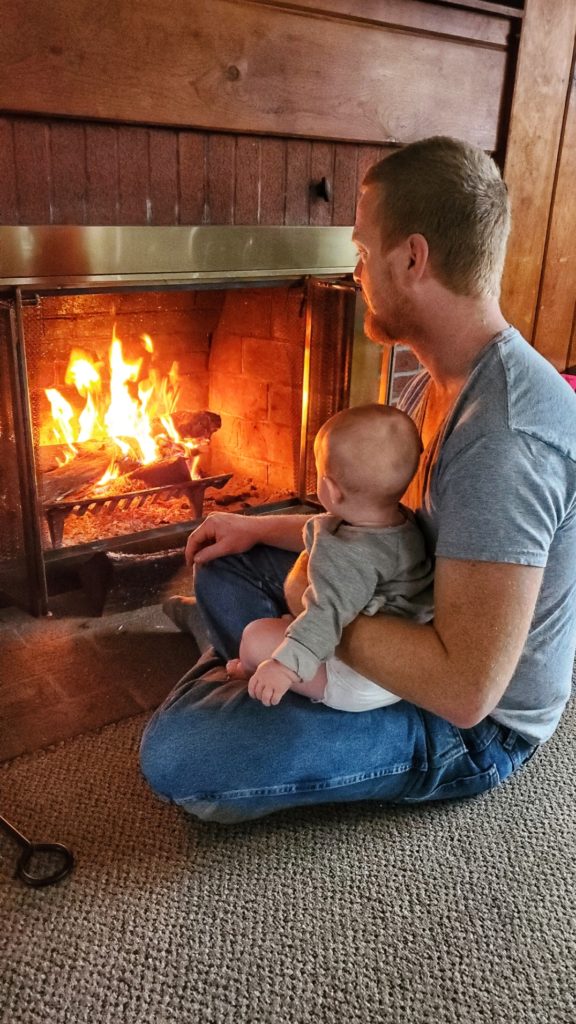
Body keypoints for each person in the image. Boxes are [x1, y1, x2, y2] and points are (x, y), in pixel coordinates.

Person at [140, 135, 576, 823]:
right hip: (400, 609)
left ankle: (247, 660)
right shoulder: (440, 381)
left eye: (363, 251)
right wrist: (253, 528)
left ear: (413, 258)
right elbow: (375, 526)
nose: (355, 272)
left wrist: (314, 608)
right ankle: (258, 656)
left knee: (178, 754)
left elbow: (467, 690)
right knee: (223, 562)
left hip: (468, 727)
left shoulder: (505, 439)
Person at [225, 403, 434, 710]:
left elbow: (327, 615)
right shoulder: (403, 525)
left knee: (254, 636)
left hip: (359, 681)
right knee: (282, 621)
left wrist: (283, 667)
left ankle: (253, 672)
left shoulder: (349, 558)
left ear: (333, 490)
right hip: (398, 668)